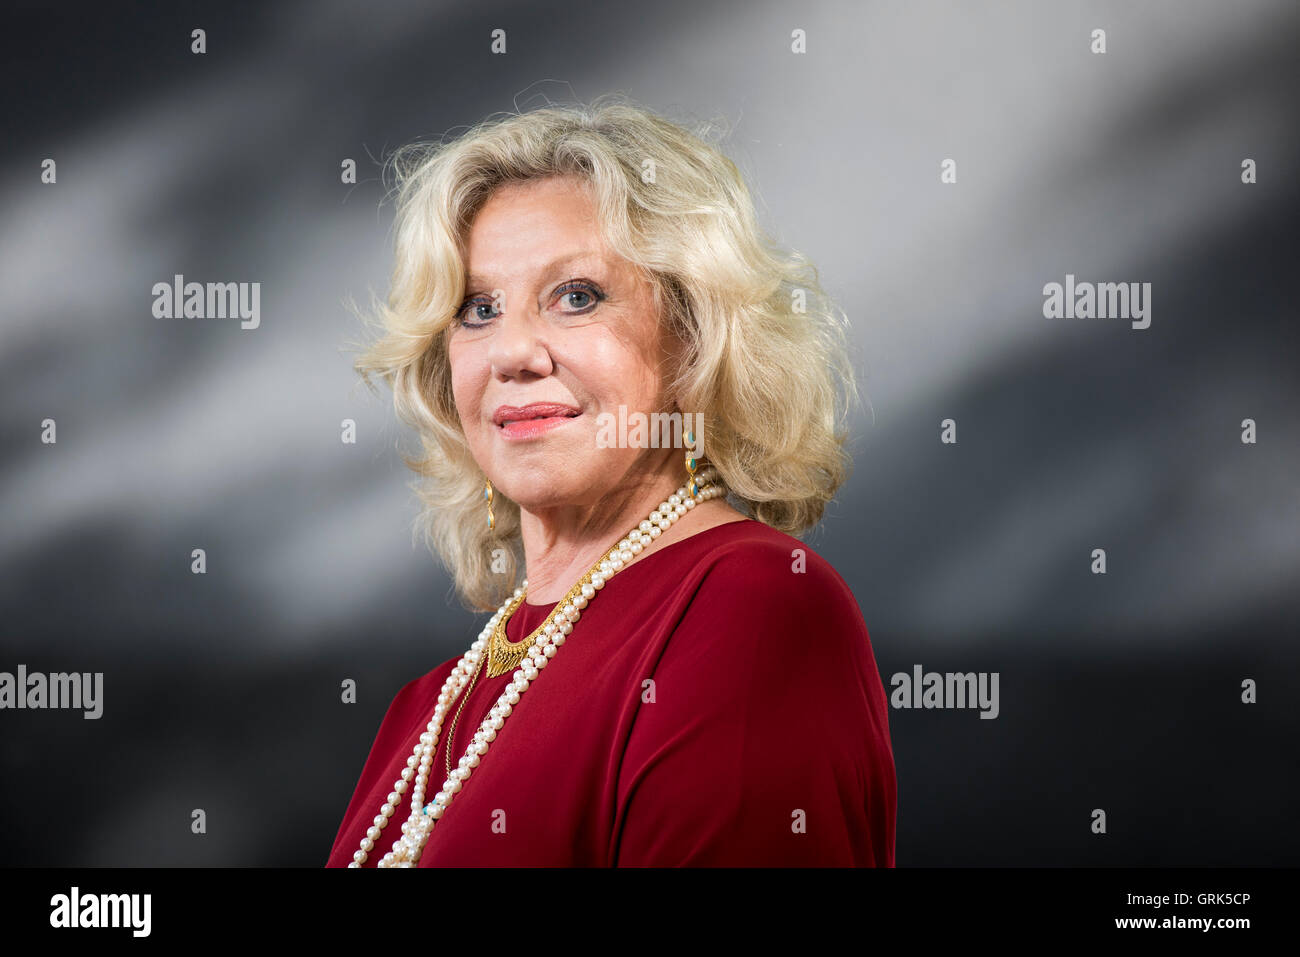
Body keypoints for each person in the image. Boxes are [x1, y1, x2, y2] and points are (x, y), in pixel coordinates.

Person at [326, 95, 896, 867]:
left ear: (695, 341)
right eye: (477, 308)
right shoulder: (425, 713)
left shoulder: (755, 609)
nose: (513, 353)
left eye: (577, 296)